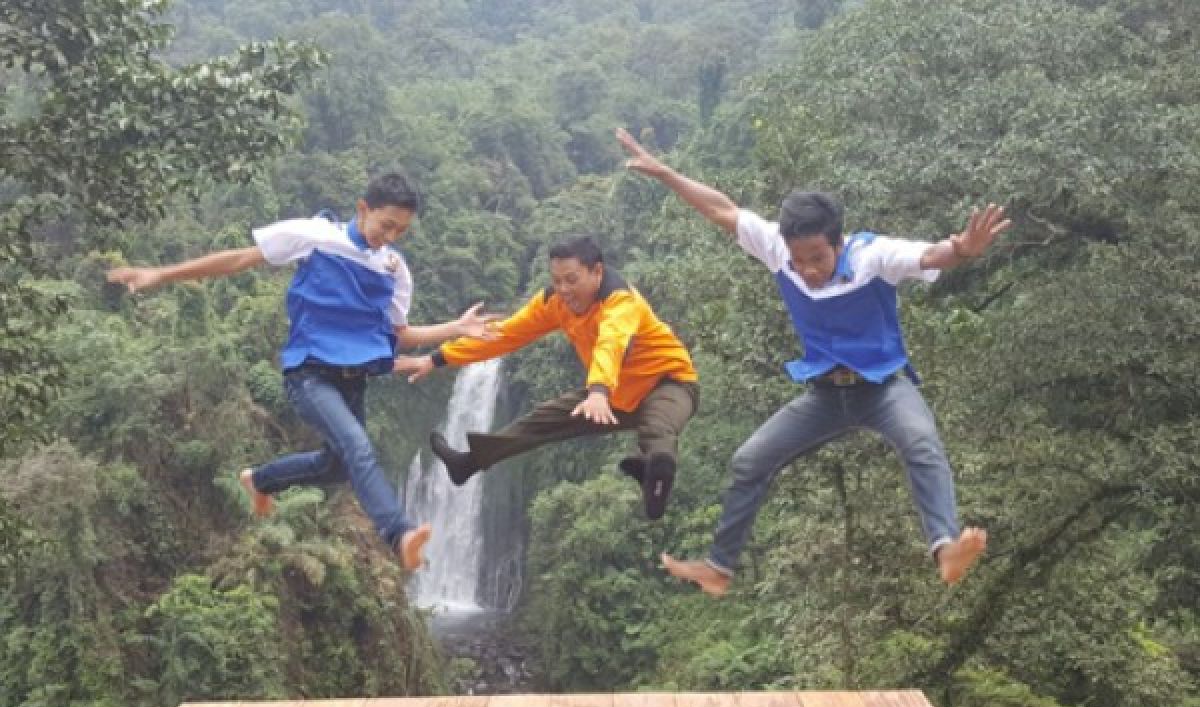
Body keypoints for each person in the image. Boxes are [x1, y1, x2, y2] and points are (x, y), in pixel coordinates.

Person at [616, 127, 1008, 595]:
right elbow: (721, 209)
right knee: (748, 461)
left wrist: (961, 251)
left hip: (882, 388)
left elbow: (929, 254)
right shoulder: (779, 251)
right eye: (799, 260)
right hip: (824, 394)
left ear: (838, 242)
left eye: (817, 257)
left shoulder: (872, 255)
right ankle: (719, 568)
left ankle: (945, 548)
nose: (807, 269)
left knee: (921, 443)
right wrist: (664, 173)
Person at [106, 172, 496, 571]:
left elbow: (398, 336)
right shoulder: (317, 235)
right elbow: (240, 259)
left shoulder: (394, 269)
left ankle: (260, 480)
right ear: (363, 209)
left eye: (401, 230)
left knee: (339, 465)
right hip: (309, 374)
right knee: (358, 447)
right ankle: (400, 533)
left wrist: (453, 329)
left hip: (352, 382)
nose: (391, 236)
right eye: (386, 225)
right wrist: (161, 274)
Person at [394, 235, 698, 520]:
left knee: (658, 427)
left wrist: (598, 391)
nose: (563, 289)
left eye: (572, 280)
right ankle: (467, 464)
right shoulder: (554, 303)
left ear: (597, 272)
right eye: (556, 280)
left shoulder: (620, 302)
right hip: (613, 394)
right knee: (541, 421)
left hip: (667, 382)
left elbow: (612, 341)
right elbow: (504, 335)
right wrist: (435, 359)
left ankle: (655, 480)